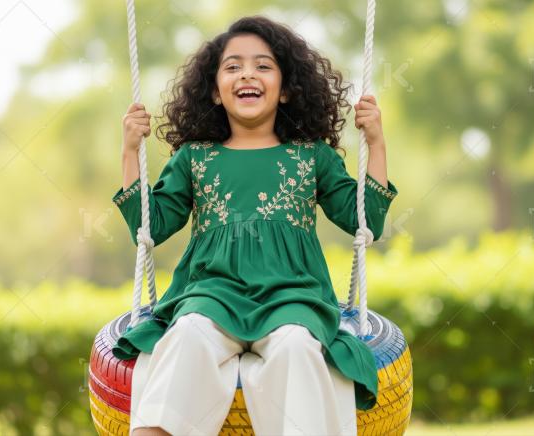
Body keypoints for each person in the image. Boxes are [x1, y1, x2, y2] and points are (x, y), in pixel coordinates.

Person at [112, 15, 398, 436]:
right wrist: (129, 152)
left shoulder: (310, 156)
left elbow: (364, 220)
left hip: (293, 296)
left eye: (263, 65)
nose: (247, 73)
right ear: (214, 90)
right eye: (233, 67)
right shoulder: (196, 158)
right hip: (210, 294)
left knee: (296, 346)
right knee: (188, 335)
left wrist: (375, 142)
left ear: (286, 89)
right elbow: (148, 227)